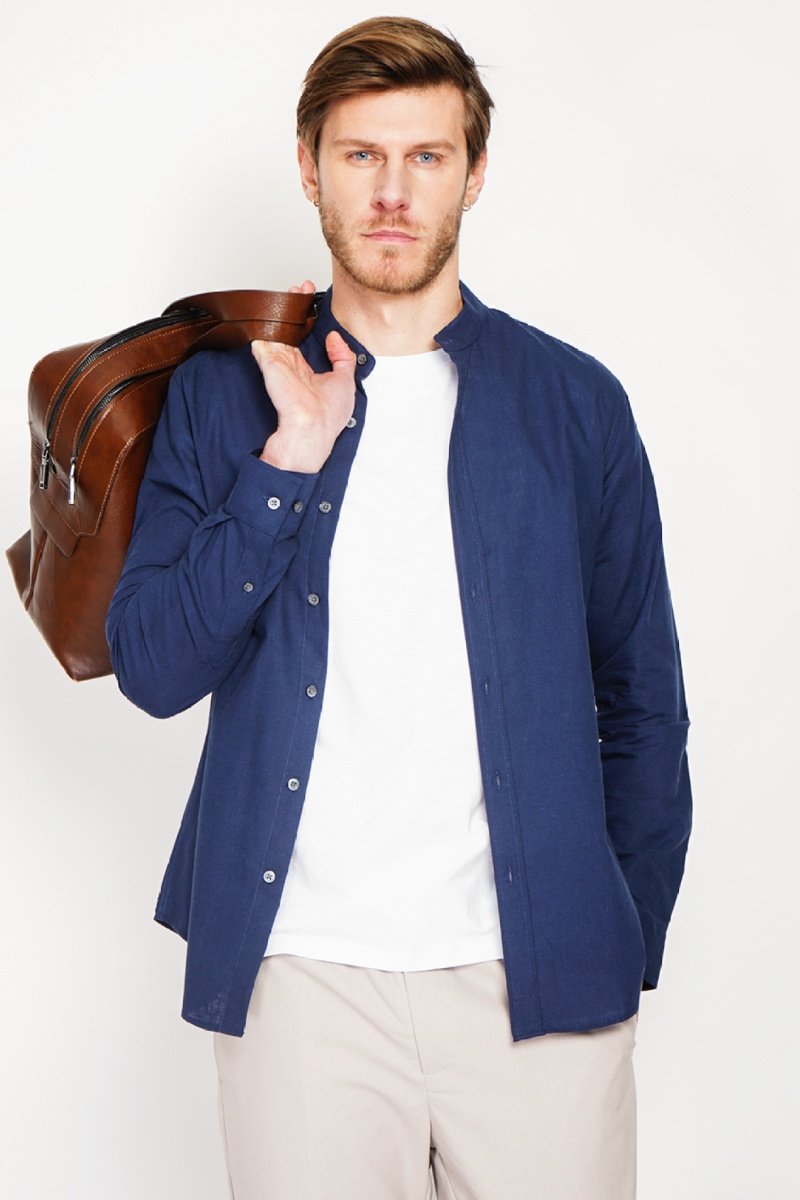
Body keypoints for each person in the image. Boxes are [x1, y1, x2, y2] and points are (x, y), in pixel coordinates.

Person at [106, 15, 692, 1200]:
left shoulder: (574, 404)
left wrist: (614, 935)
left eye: (425, 157)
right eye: (360, 155)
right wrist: (287, 464)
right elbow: (153, 666)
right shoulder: (224, 395)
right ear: (309, 168)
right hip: (301, 981)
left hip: (537, 984)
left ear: (472, 173)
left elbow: (640, 702)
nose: (390, 192)